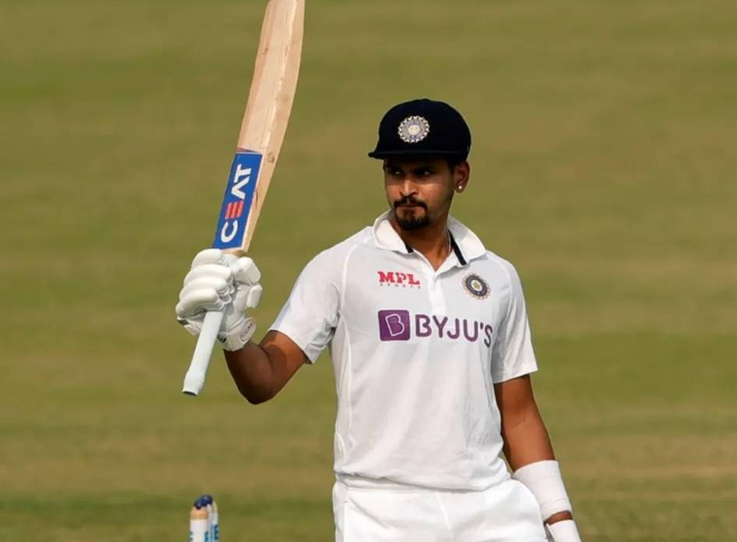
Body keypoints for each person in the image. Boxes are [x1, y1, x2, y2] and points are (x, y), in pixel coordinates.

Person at [176, 98, 583, 542]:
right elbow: (265, 380)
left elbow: (518, 413)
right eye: (395, 172)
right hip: (382, 510)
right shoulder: (342, 266)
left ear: (459, 177)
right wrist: (233, 332)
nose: (406, 188)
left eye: (424, 173)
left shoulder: (496, 276)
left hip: (490, 505)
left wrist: (559, 519)